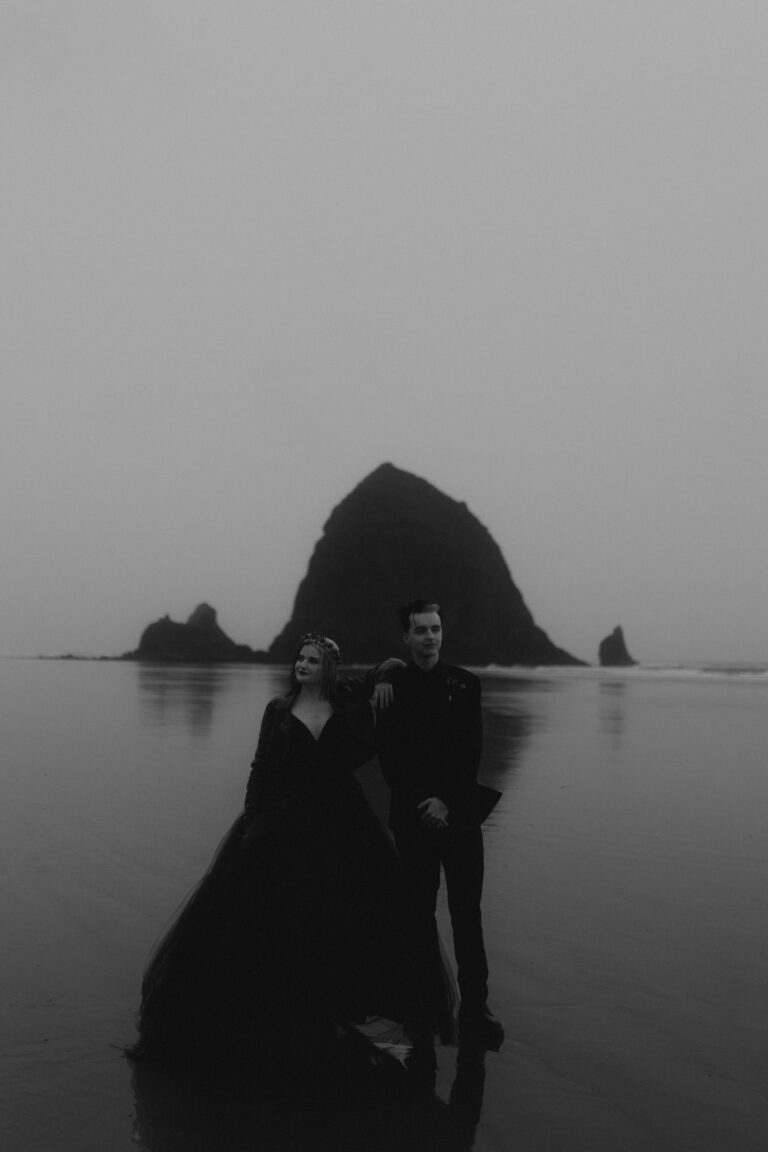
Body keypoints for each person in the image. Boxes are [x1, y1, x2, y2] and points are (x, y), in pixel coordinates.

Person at [127, 632, 455, 1076]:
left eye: (312, 660)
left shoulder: (348, 701)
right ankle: (275, 1023)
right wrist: (252, 822)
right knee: (276, 917)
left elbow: (393, 665)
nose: (302, 665)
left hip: (343, 819)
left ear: (329, 668)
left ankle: (357, 1016)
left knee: (353, 914)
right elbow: (261, 766)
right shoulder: (278, 710)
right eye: (300, 658)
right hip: (286, 816)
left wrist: (382, 680)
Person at [375, 600, 503, 1044]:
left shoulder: (466, 684)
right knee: (417, 915)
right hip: (413, 818)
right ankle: (421, 1006)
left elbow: (471, 752)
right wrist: (382, 675)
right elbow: (391, 761)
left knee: (468, 914)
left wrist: (446, 801)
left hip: (461, 816)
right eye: (421, 630)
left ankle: (476, 1007)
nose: (430, 637)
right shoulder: (391, 689)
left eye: (436, 629)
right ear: (406, 638)